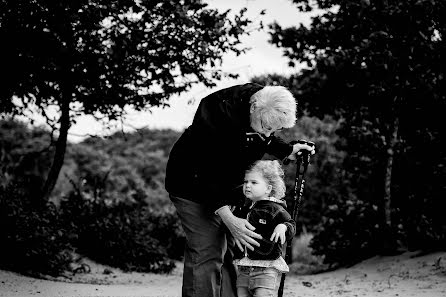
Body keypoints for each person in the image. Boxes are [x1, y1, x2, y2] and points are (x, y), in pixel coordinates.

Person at [165, 83, 315, 297]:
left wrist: (287, 149)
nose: (268, 133)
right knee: (208, 249)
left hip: (228, 185)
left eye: (274, 129)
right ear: (253, 107)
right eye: (265, 126)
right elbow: (207, 172)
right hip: (192, 184)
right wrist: (229, 218)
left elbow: (264, 136)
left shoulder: (265, 100)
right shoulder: (216, 113)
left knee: (232, 252)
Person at [234, 160, 295, 297]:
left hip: (266, 267)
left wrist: (283, 227)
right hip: (243, 268)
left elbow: (291, 224)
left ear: (268, 189)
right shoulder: (244, 209)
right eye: (246, 182)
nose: (247, 185)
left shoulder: (275, 209)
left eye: (254, 182)